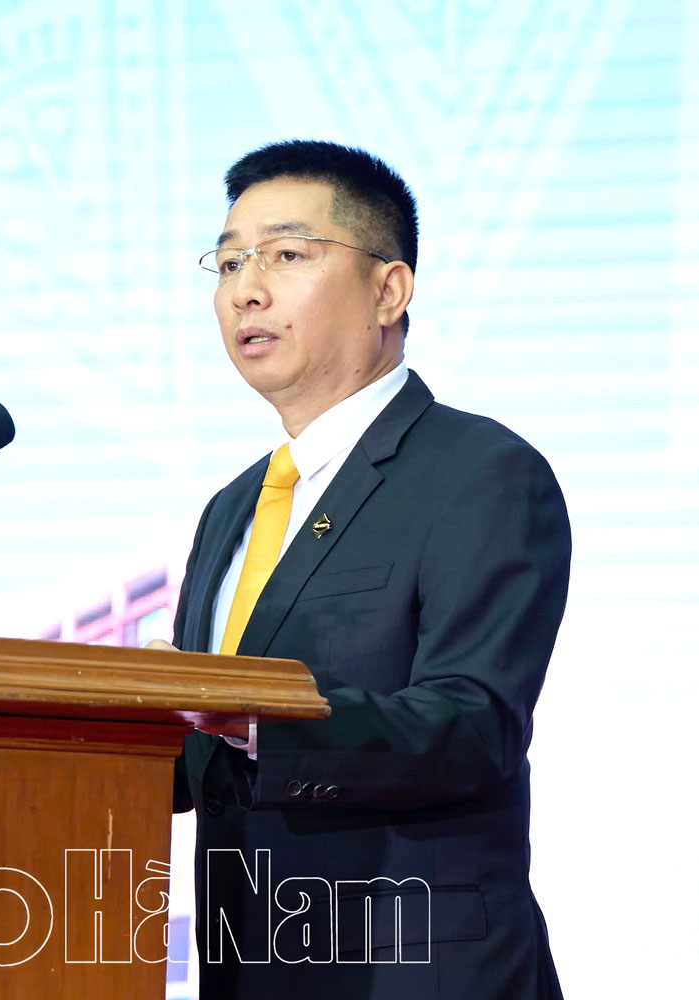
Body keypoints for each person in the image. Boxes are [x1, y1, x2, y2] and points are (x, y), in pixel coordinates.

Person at [166, 140, 570, 999]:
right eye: (229, 262)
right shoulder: (230, 509)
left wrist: (257, 716)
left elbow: (474, 728)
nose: (245, 289)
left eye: (286, 255)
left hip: (414, 973)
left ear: (389, 290)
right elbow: (207, 759)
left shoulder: (482, 473)